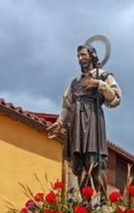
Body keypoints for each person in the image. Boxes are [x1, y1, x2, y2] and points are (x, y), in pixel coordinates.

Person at [46, 41, 122, 196]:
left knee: (94, 161)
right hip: (76, 123)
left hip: (93, 121)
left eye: (83, 54)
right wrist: (60, 122)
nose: (80, 58)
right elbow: (67, 105)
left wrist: (99, 84)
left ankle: (102, 202)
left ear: (92, 56)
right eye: (78, 56)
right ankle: (85, 203)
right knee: (78, 165)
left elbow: (116, 98)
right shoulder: (75, 83)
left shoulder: (103, 76)